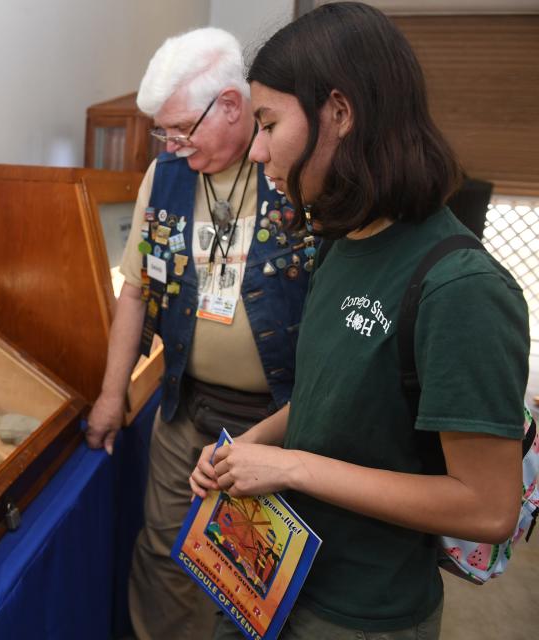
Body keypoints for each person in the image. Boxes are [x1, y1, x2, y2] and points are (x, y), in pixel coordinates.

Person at [190, 3, 529, 639]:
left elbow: (487, 507)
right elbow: (332, 397)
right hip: (276, 577)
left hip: (359, 613)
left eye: (268, 123)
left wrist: (293, 468)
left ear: (339, 114)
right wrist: (249, 448)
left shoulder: (460, 288)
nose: (258, 150)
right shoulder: (340, 241)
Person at [84, 27, 314, 640]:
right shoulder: (165, 178)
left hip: (279, 417)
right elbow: (135, 290)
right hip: (185, 406)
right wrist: (113, 394)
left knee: (254, 570)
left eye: (183, 129)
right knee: (164, 552)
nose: (175, 144)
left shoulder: (293, 171)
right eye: (166, 132)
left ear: (233, 106)